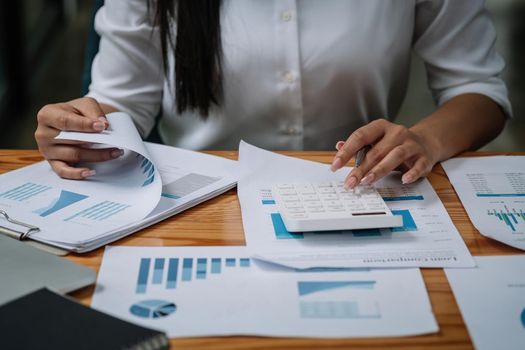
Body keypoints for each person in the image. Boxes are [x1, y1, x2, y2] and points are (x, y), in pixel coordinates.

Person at [35, 0, 512, 190]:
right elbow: (123, 104)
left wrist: (425, 140)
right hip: (203, 199)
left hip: (361, 191)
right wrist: (85, 128)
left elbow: (478, 89)